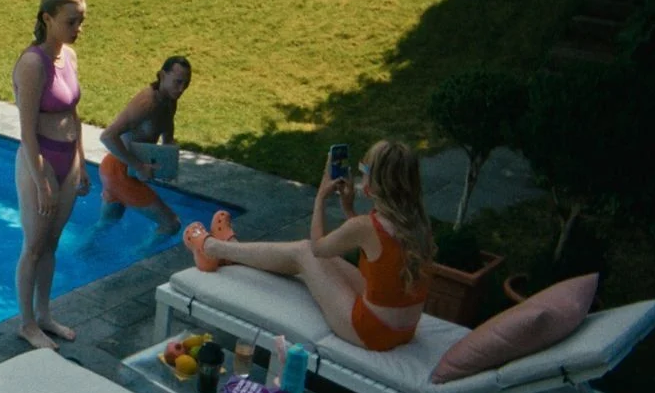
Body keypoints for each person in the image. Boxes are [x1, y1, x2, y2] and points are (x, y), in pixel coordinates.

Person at [181, 141, 434, 351]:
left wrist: (321, 197)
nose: (360, 174)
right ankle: (229, 250)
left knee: (303, 251)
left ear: (375, 181)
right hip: (404, 330)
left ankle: (212, 248)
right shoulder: (419, 222)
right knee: (320, 258)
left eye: (364, 169)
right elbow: (374, 249)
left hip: (371, 331)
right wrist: (348, 208)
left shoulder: (366, 227)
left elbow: (317, 248)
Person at [12, 0, 90, 350]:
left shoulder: (69, 57)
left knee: (53, 243)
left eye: (82, 21)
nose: (78, 29)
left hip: (69, 160)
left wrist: (83, 163)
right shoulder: (31, 64)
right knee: (34, 246)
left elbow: (74, 113)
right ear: (48, 19)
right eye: (72, 21)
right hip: (38, 161)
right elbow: (27, 130)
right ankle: (27, 324)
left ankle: (44, 314)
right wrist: (42, 178)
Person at [97, 55, 191, 236]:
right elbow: (107, 136)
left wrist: (169, 162)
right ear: (162, 76)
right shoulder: (146, 104)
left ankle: (82, 254)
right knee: (171, 224)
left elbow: (167, 133)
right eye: (178, 82)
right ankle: (136, 258)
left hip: (117, 169)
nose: (182, 89)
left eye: (186, 84)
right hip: (120, 171)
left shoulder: (170, 100)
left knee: (105, 225)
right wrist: (138, 166)